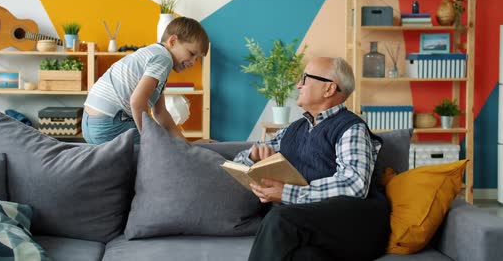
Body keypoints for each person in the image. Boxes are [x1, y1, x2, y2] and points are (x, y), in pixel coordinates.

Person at [234, 57, 390, 261]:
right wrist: (253, 157)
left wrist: (287, 193)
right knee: (305, 257)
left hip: (357, 226)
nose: (298, 84)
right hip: (315, 227)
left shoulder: (351, 127)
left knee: (280, 218)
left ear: (329, 89)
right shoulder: (294, 129)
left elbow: (355, 184)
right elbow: (239, 163)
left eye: (305, 78)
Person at [82, 16, 210, 144]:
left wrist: (185, 144)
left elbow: (161, 113)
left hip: (89, 123)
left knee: (163, 138)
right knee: (163, 143)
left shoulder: (152, 54)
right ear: (173, 41)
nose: (193, 62)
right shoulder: (163, 59)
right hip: (109, 124)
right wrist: (149, 138)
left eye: (197, 58)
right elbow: (137, 102)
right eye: (192, 54)